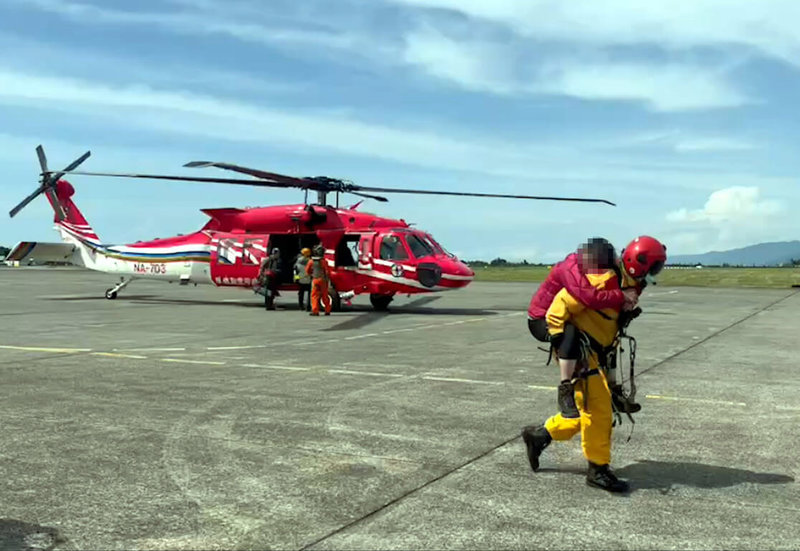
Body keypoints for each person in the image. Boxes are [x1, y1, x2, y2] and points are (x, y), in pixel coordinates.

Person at [521, 235, 667, 493]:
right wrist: (562, 342)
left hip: (597, 351)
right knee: (598, 411)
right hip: (579, 352)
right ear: (638, 265)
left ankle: (539, 436)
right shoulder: (605, 281)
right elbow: (561, 305)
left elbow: (608, 325)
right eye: (654, 268)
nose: (656, 274)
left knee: (583, 412)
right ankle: (598, 470)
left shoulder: (627, 283)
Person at [528, 237, 639, 418]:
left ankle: (612, 391)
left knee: (610, 339)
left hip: (566, 313)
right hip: (542, 319)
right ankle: (565, 390)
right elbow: (588, 297)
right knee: (570, 333)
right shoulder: (570, 269)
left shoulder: (587, 266)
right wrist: (620, 296)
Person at [306, 244, 332, 316]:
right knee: (325, 295)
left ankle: (315, 311)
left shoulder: (311, 261)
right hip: (323, 280)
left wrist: (311, 274)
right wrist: (328, 280)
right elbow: (327, 272)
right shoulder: (324, 261)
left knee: (314, 296)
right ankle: (327, 310)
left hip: (315, 279)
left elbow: (307, 270)